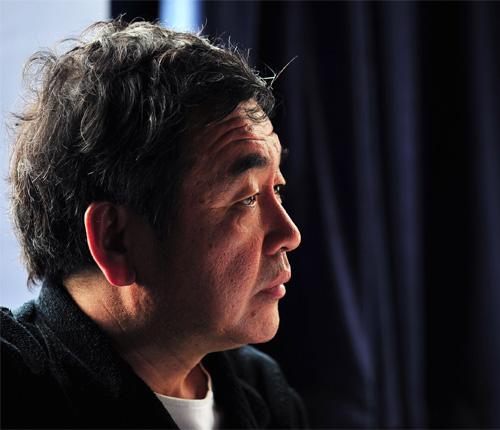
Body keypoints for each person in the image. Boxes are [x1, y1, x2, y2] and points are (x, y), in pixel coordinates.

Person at [1, 19, 306, 429]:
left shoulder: (264, 391)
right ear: (116, 240)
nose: (289, 234)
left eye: (277, 189)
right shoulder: (13, 388)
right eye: (246, 198)